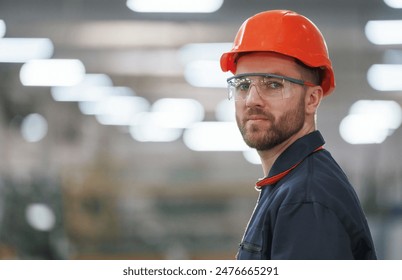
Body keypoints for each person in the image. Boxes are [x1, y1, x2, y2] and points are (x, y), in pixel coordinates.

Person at [220, 10, 377, 260]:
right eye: (243, 85)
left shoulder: (305, 199)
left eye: (273, 84)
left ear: (312, 99)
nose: (251, 100)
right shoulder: (289, 186)